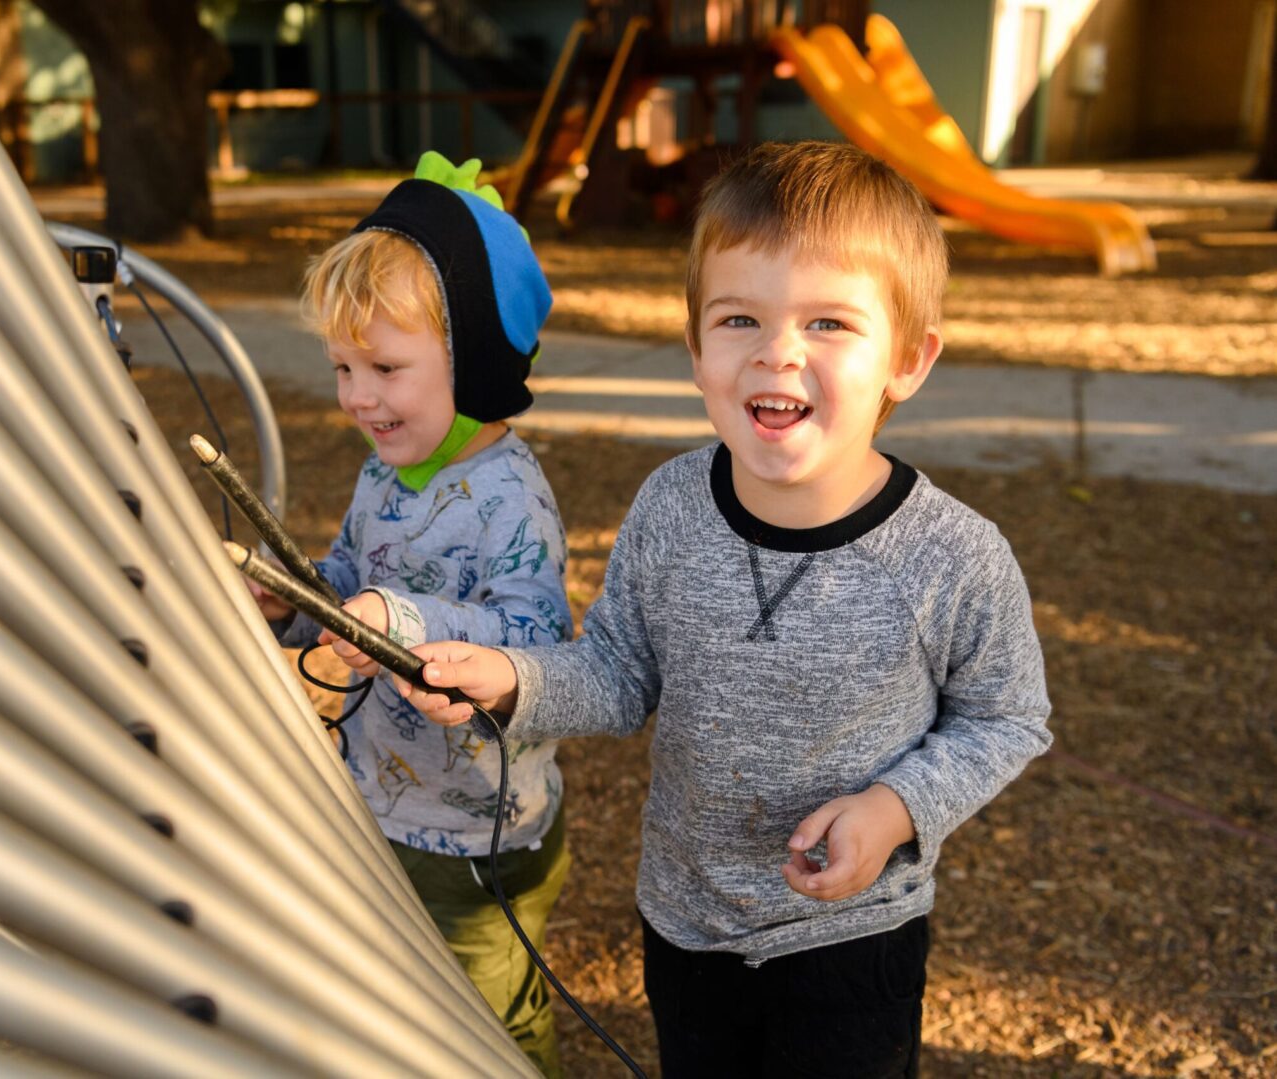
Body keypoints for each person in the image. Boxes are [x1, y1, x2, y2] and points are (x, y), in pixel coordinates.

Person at [394, 141, 1054, 1078]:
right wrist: (511, 680)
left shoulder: (951, 556)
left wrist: (894, 807)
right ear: (699, 350)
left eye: (829, 322)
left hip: (849, 943)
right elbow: (620, 672)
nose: (777, 350)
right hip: (684, 923)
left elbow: (1006, 717)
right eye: (740, 317)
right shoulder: (671, 504)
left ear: (906, 359)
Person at [247, 151, 573, 1076]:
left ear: (471, 356)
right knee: (406, 999)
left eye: (385, 367)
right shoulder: (385, 469)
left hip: (479, 832)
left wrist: (404, 619)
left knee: (490, 1018)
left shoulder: (510, 498)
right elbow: (357, 575)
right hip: (386, 801)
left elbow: (539, 648)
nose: (356, 396)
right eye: (343, 366)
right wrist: (299, 597)